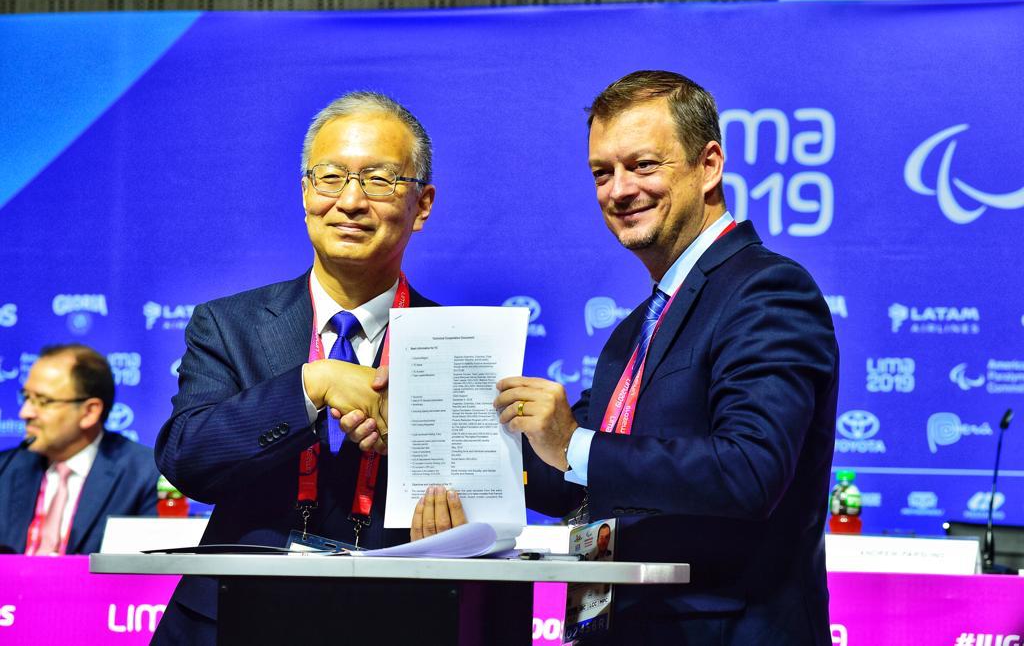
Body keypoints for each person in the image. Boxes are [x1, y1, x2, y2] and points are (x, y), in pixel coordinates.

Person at [494, 71, 840, 644]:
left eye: (643, 165)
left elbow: (749, 470)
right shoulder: (637, 327)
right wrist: (451, 459)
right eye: (602, 172)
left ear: (709, 166)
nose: (619, 190)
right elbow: (571, 482)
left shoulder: (768, 290)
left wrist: (574, 443)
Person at [152, 91, 462, 643]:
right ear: (305, 193)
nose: (350, 200)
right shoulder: (230, 325)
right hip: (238, 617)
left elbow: (493, 496)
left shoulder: (458, 343)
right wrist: (310, 384)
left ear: (424, 204)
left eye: (380, 179)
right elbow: (187, 458)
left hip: (396, 621)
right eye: (331, 177)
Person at [0, 344, 158, 555]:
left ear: (89, 412)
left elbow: (152, 575)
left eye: (42, 401)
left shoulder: (144, 474)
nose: (25, 412)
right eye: (27, 397)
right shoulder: (6, 469)